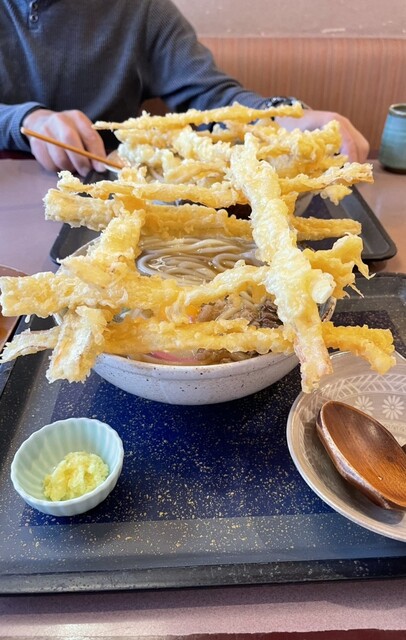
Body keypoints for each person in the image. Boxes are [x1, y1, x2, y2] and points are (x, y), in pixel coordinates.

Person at [1, 0, 369, 177]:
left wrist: (279, 118)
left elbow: (211, 99)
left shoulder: (142, 9)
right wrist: (24, 120)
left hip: (112, 191)